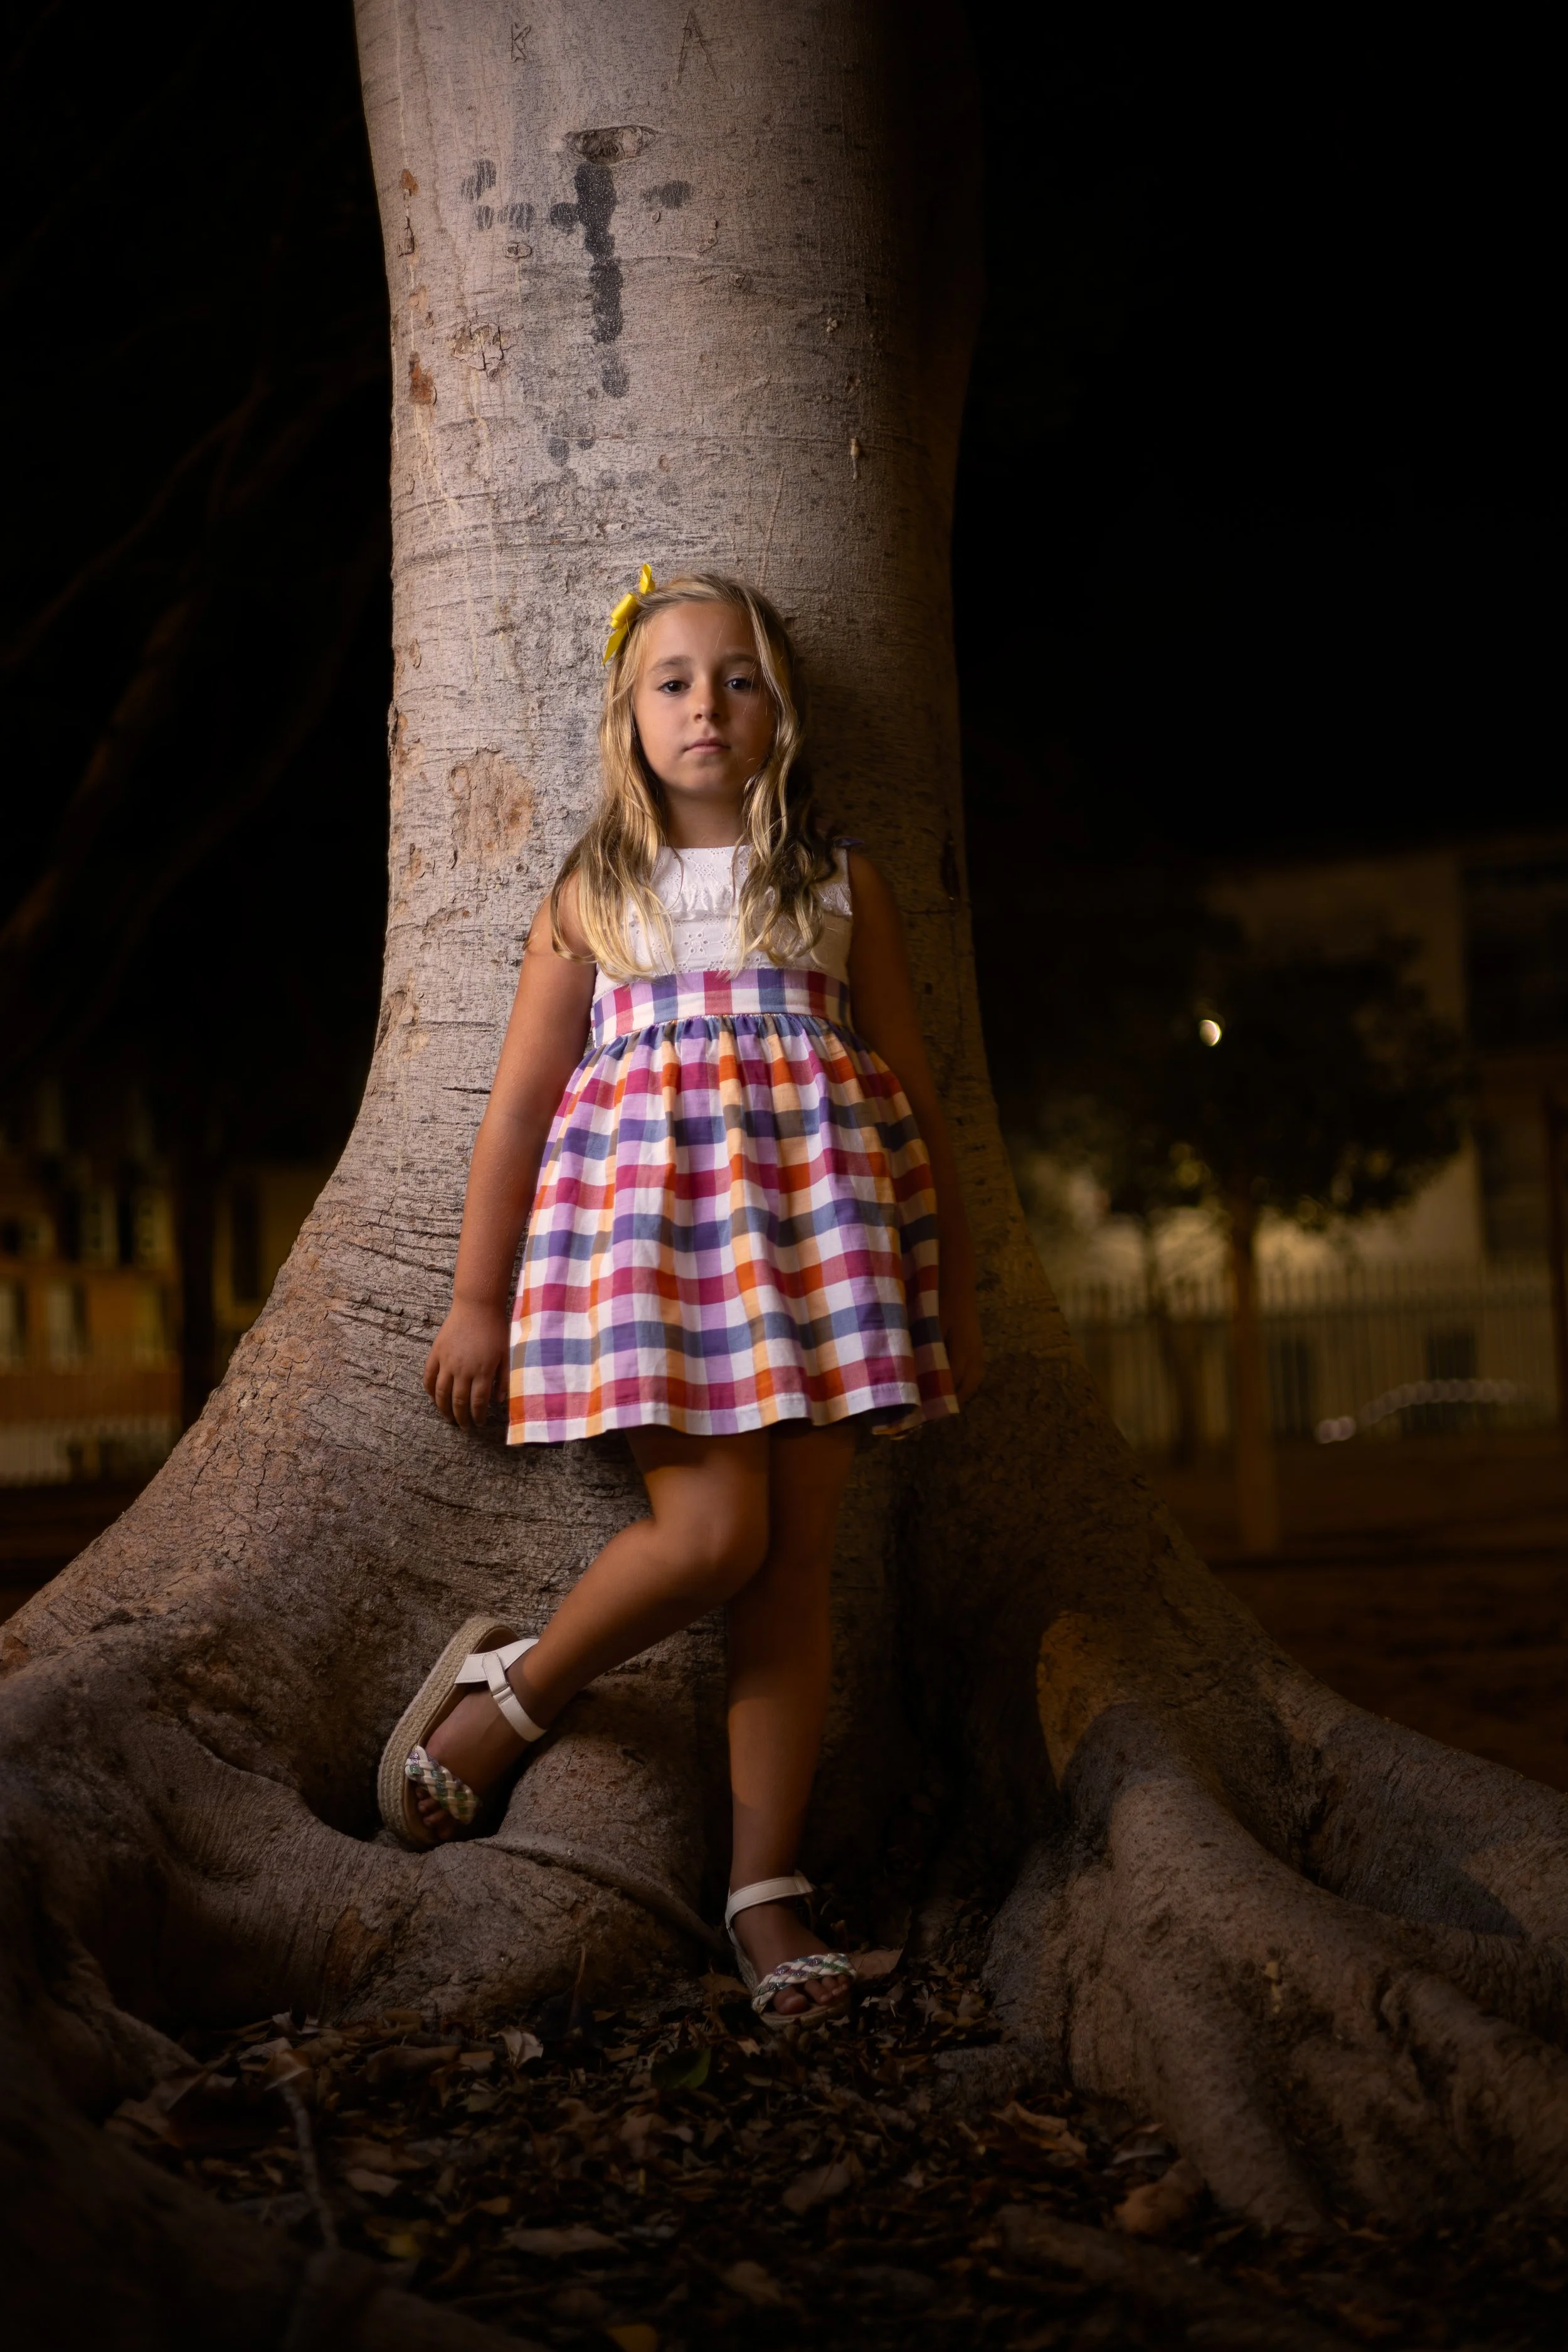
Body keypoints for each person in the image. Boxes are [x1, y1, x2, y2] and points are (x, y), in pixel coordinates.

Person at [379, 568, 983, 2023]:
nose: (705, 706)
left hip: (821, 1259)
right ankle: (516, 1692)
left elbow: (909, 1094)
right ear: (627, 715)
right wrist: (476, 1301)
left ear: (780, 710)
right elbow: (518, 1111)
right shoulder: (595, 893)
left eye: (736, 679)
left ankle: (763, 1893)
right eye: (672, 681)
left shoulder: (840, 887)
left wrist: (944, 1296)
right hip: (655, 1266)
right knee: (710, 1535)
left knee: (789, 1578)